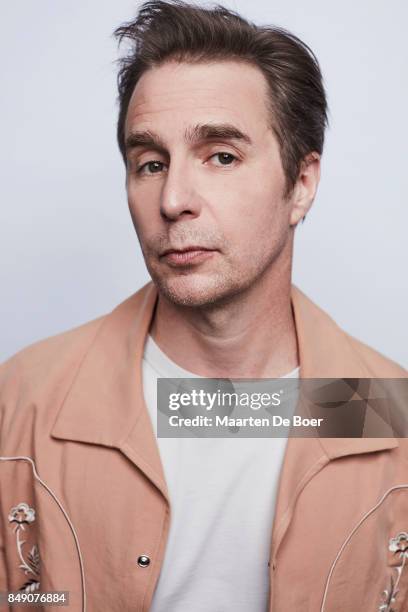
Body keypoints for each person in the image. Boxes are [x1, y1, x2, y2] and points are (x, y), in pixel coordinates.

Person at [0, 1, 407, 610]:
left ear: (301, 184)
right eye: (150, 163)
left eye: (221, 156)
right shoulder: (20, 401)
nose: (173, 199)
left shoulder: (387, 414)